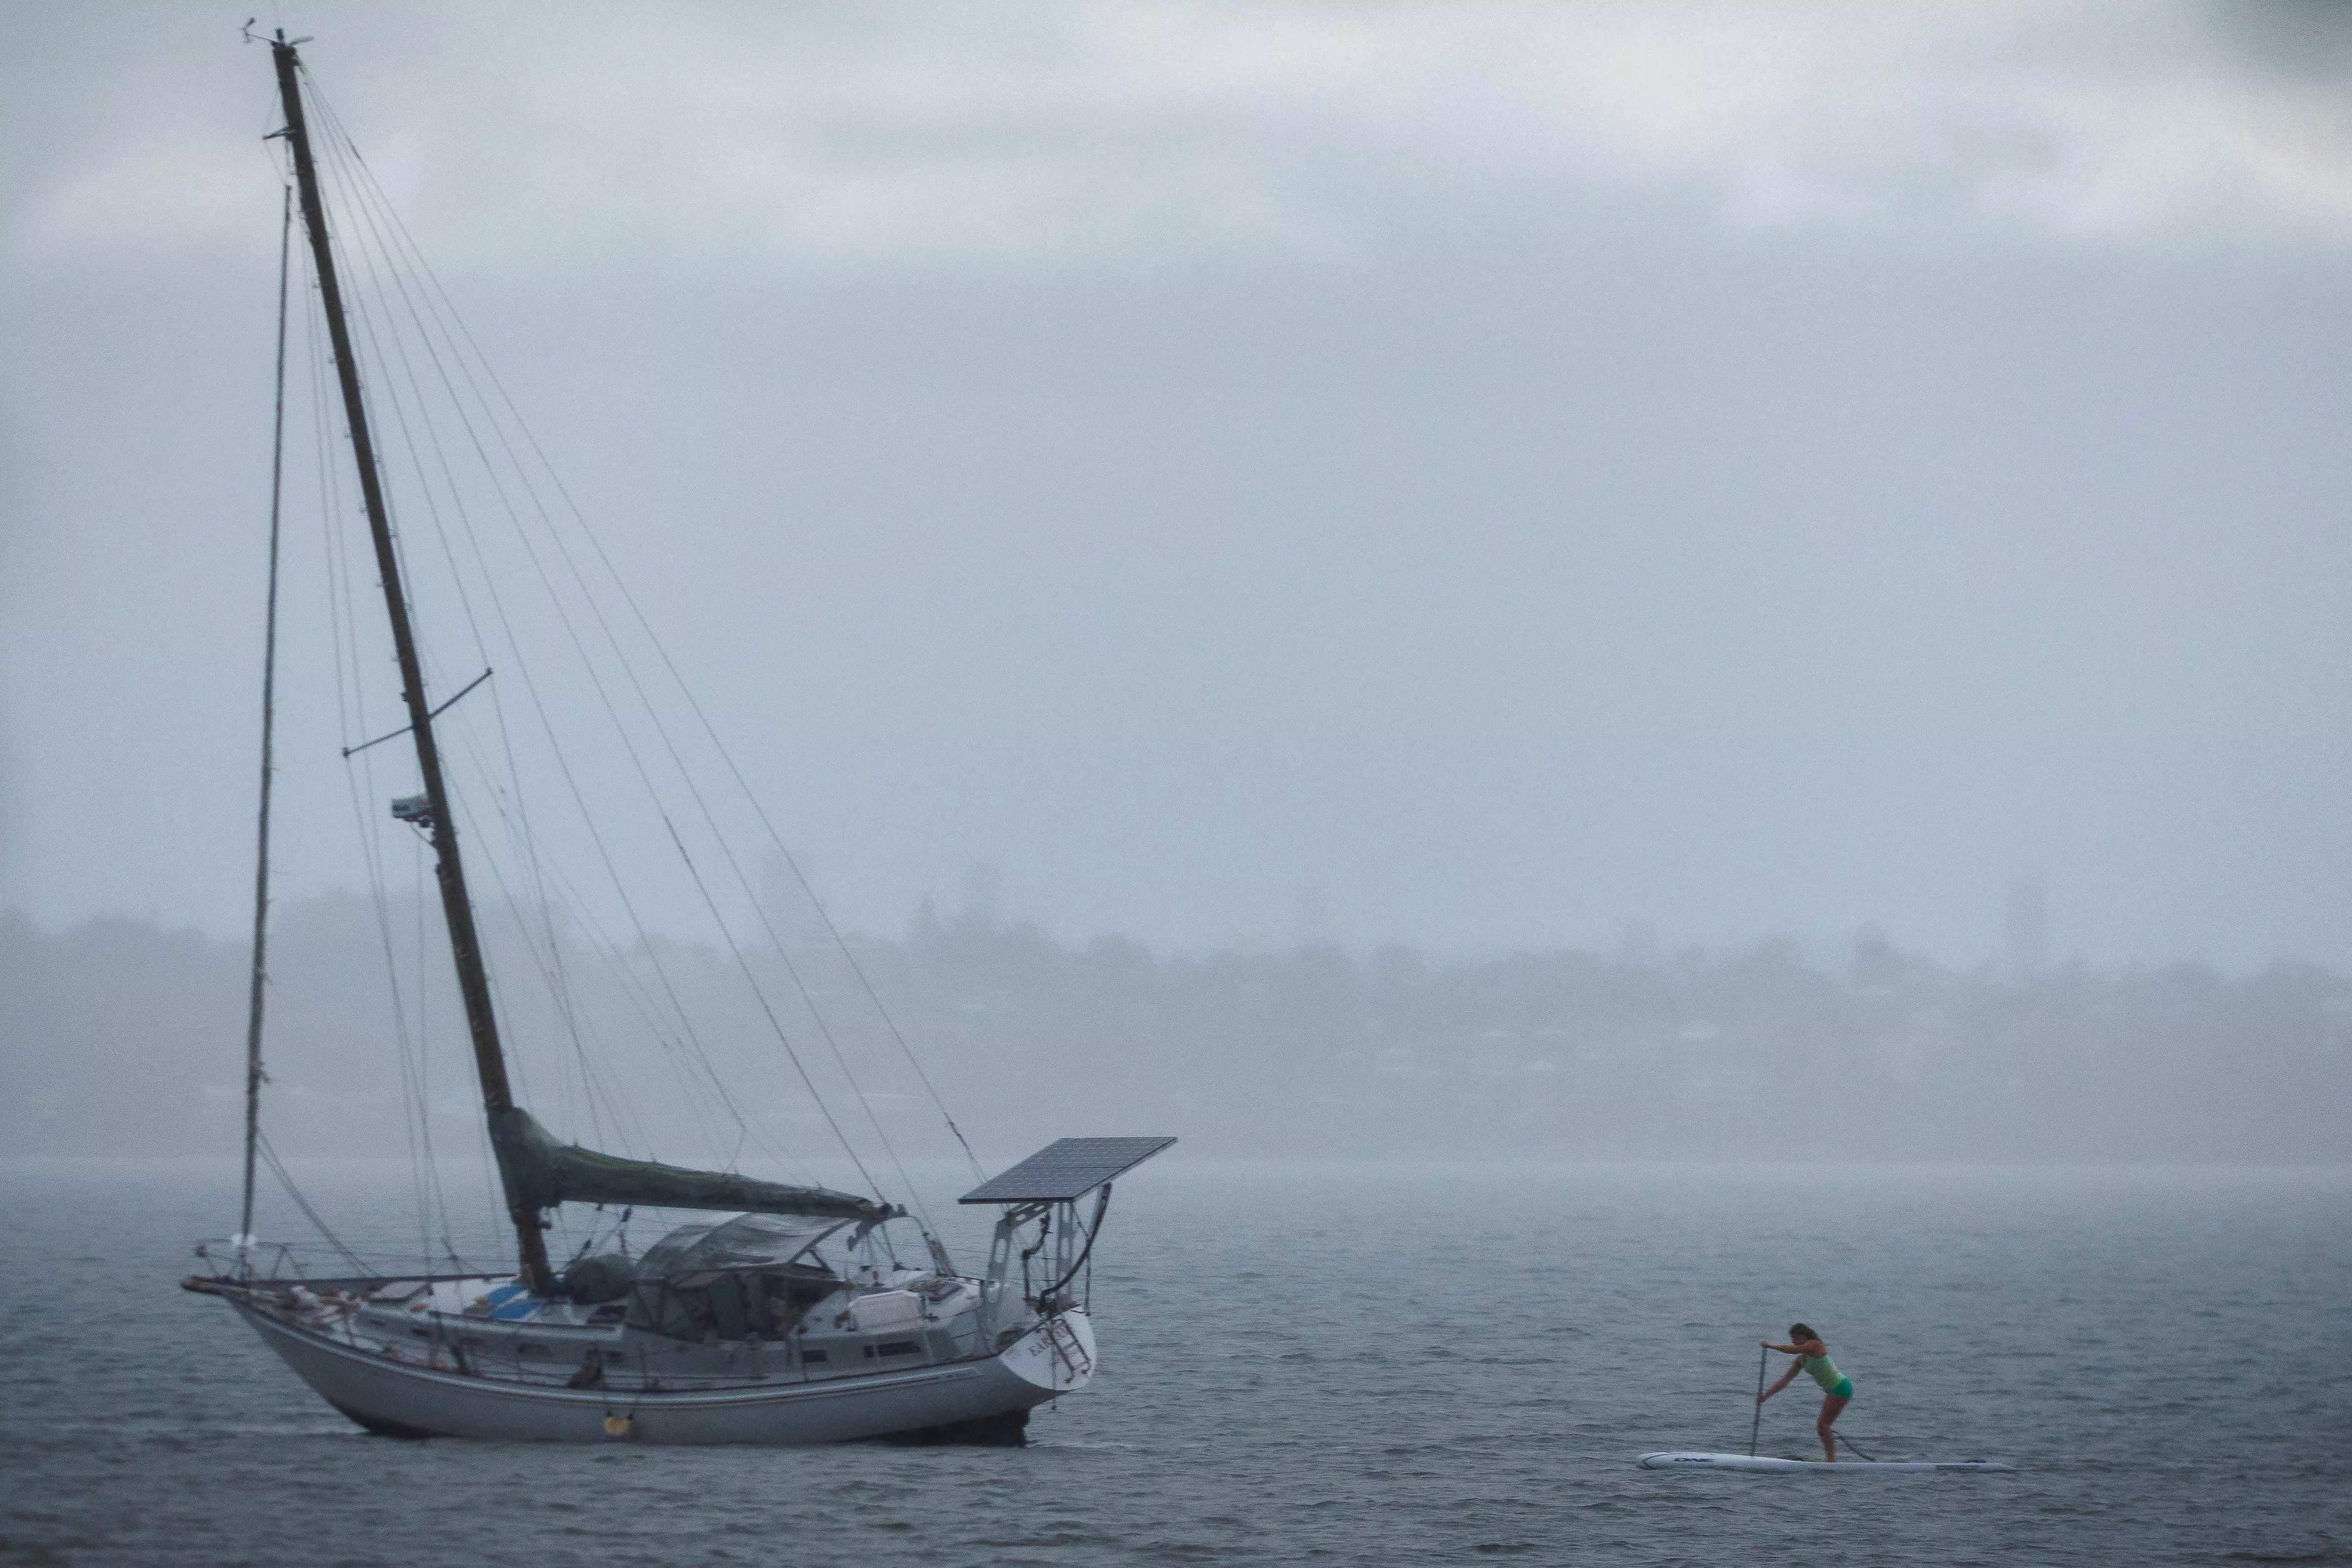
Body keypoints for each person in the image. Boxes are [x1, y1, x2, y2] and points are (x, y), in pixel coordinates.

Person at [1759, 1322, 1853, 1461]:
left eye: (1796, 1338)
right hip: (1833, 1391)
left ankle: (1832, 1462)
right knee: (1822, 1427)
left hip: (1841, 1388)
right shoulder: (1802, 1360)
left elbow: (1791, 1350)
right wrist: (1765, 1396)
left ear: (1805, 1337)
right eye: (1792, 1339)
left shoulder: (1815, 1345)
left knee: (1823, 1425)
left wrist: (1770, 1346)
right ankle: (1831, 1461)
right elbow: (1784, 1381)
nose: (1793, 1342)